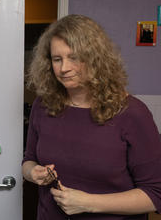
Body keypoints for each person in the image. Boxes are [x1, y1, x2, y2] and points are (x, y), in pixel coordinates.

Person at [22, 14, 161, 220]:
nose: (64, 68)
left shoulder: (132, 113)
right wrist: (33, 173)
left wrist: (87, 203)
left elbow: (155, 194)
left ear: (95, 59)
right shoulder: (43, 106)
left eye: (74, 57)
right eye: (57, 59)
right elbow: (28, 161)